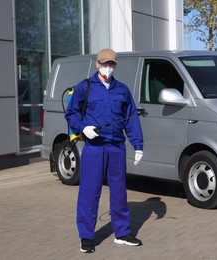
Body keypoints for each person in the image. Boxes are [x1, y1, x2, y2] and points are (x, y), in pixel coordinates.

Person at [65, 48, 144, 253]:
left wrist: (138, 145)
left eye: (111, 64)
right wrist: (83, 128)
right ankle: (86, 236)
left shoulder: (123, 90)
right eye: (104, 64)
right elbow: (71, 113)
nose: (108, 67)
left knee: (119, 192)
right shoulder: (85, 87)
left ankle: (122, 233)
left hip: (117, 147)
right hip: (94, 148)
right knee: (89, 193)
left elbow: (131, 118)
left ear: (115, 65)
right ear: (97, 64)